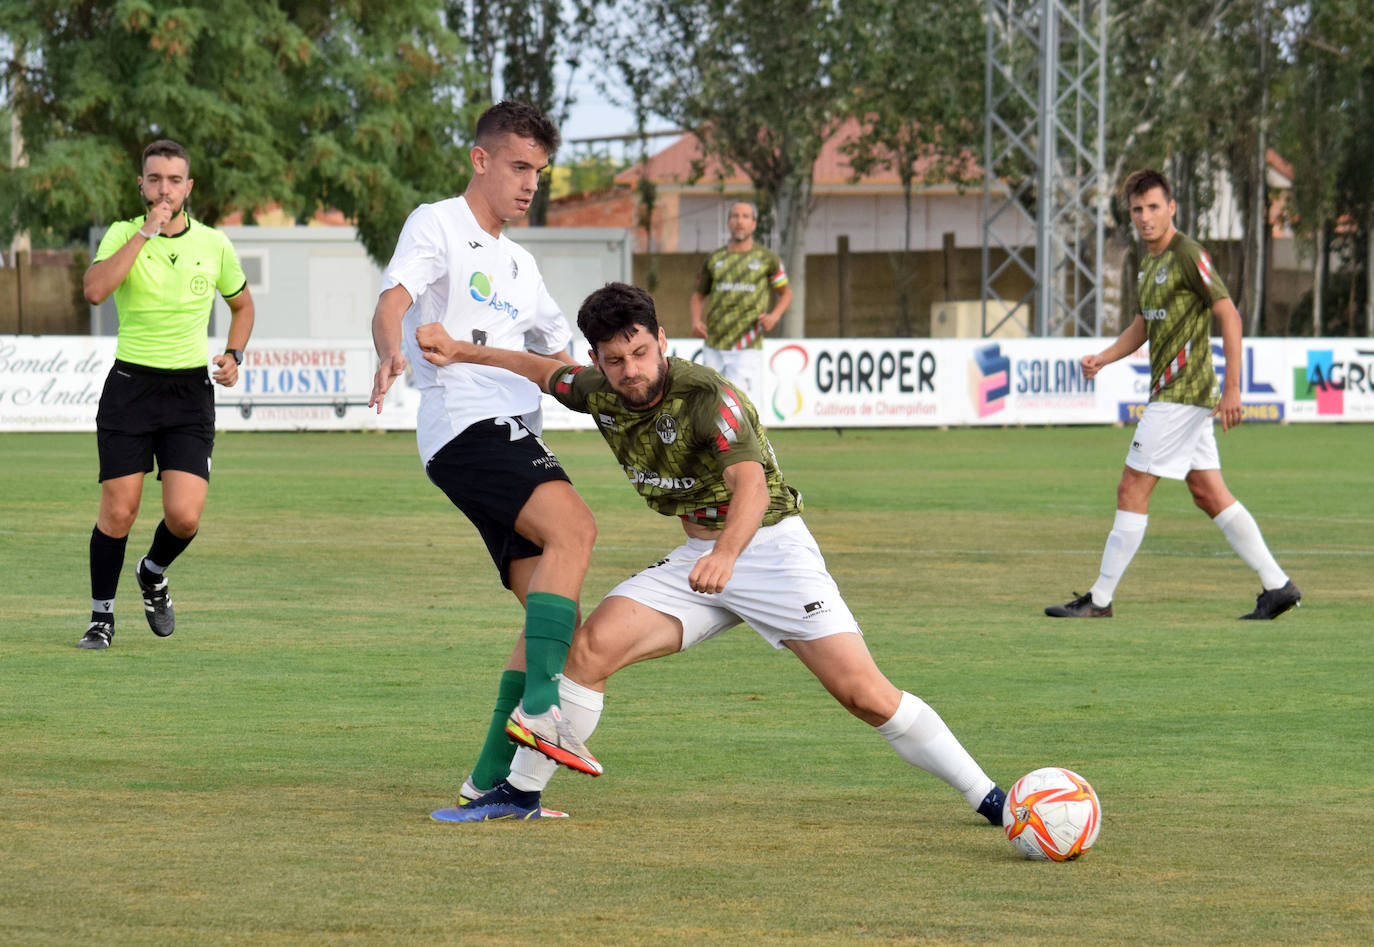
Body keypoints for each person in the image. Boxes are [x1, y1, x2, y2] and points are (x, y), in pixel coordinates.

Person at [416, 282, 1006, 824]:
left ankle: (991, 798)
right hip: (699, 559)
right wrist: (460, 350)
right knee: (590, 647)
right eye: (615, 360)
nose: (632, 370)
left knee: (864, 694)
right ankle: (519, 796)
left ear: (662, 341)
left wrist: (727, 553)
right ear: (597, 360)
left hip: (771, 551)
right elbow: (540, 368)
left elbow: (750, 483)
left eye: (641, 352)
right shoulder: (598, 390)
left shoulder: (707, 396)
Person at [367, 101, 601, 792]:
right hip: (466, 423)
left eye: (540, 172)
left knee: (553, 612)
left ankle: (491, 786)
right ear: (481, 160)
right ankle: (538, 712)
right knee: (578, 529)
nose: (531, 183)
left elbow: (563, 366)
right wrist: (391, 350)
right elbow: (394, 299)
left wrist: (632, 380)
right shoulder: (437, 223)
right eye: (519, 167)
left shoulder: (523, 266)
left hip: (511, 433)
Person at [1045, 168, 1300, 621]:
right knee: (1207, 491)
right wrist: (1104, 357)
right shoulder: (1149, 262)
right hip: (1174, 393)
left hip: (1183, 394)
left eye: (1153, 208)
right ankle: (1278, 586)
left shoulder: (1188, 254)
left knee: (1132, 485)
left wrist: (1234, 388)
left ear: (1172, 208)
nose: (1145, 217)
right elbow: (1143, 326)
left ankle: (1100, 600)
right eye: (1137, 210)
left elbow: (1230, 316)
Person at [77, 139, 256, 650]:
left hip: (188, 394)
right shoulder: (121, 234)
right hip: (130, 388)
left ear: (188, 187)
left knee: (185, 516)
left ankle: (152, 572)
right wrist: (144, 235)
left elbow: (243, 307)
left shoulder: (214, 245)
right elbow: (94, 290)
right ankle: (101, 618)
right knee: (119, 510)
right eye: (154, 179)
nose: (164, 189)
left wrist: (233, 355)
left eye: (174, 180)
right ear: (141, 184)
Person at [688, 200, 792, 403]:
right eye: (735, 216)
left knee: (744, 406)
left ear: (754, 224)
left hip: (747, 343)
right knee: (710, 404)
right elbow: (698, 296)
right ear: (728, 223)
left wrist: (774, 316)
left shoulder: (767, 258)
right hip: (714, 342)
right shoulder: (715, 259)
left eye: (745, 216)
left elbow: (786, 293)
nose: (739, 221)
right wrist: (695, 321)